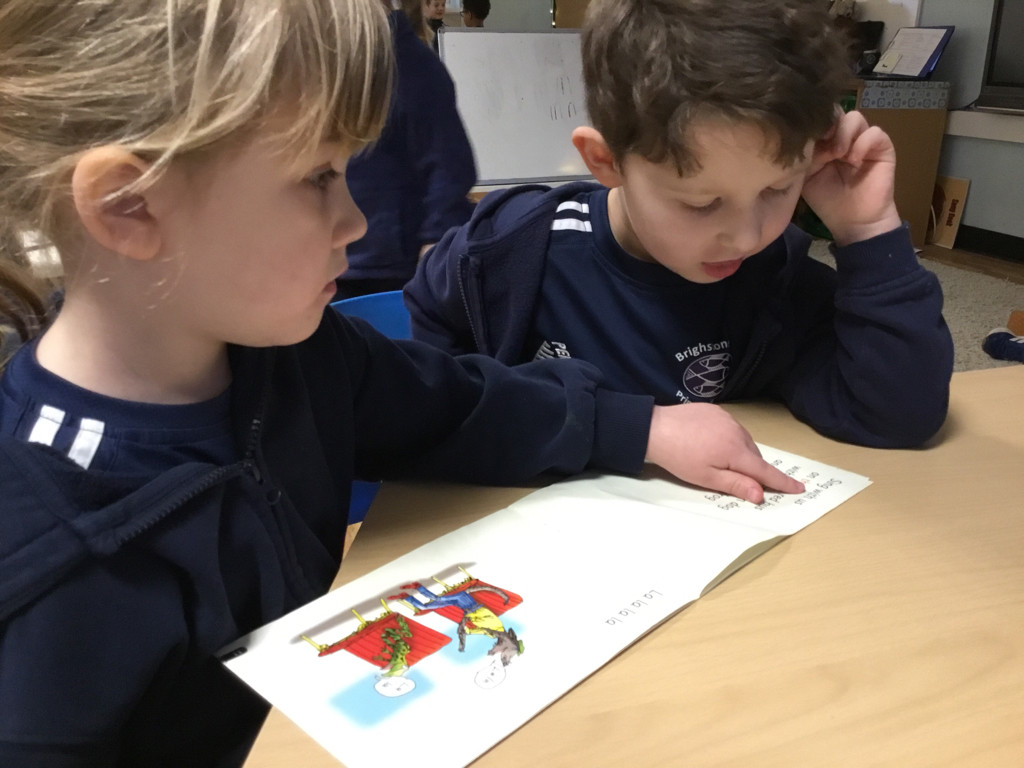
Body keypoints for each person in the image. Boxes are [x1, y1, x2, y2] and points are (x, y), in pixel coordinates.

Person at [0, 0, 802, 764]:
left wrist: (643, 428)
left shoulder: (297, 356)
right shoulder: (52, 552)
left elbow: (456, 404)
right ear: (130, 206)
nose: (355, 222)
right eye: (318, 178)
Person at [405, 0, 954, 451]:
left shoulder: (775, 279)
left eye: (777, 190)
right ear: (606, 162)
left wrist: (868, 230)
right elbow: (425, 403)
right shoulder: (505, 254)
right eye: (701, 203)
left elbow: (897, 415)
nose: (746, 237)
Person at [336, 0, 477, 299]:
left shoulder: (414, 68)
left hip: (391, 267)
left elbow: (450, 169)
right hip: (340, 257)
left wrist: (436, 243)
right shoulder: (332, 61)